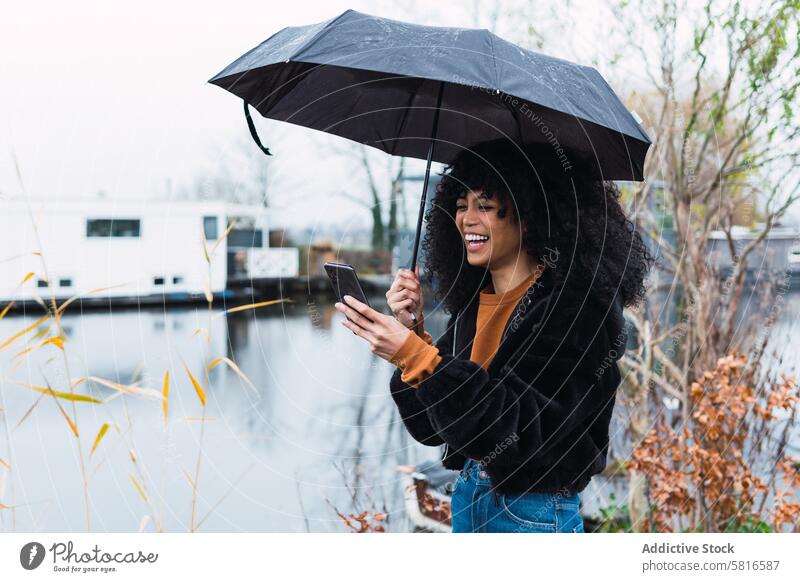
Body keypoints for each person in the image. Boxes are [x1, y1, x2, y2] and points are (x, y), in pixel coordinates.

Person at [334, 139, 653, 533]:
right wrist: (414, 337)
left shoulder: (578, 310)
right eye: (460, 205)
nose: (466, 218)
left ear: (533, 213)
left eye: (484, 206)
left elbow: (522, 434)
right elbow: (434, 429)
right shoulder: (476, 304)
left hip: (532, 513)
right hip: (468, 497)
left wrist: (418, 357)